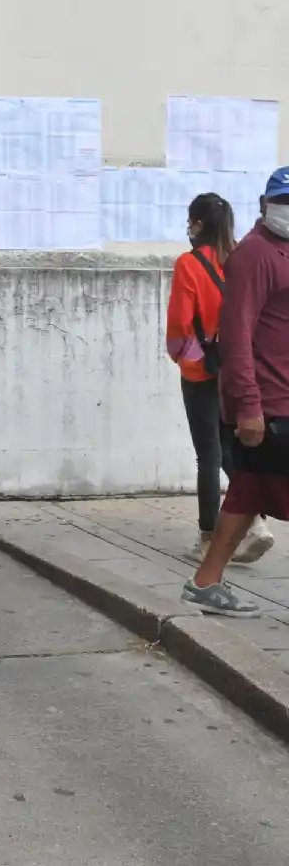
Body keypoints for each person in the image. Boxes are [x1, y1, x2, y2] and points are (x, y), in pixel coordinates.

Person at [182, 167, 289, 618]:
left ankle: (205, 582)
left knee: (246, 493)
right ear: (265, 205)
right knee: (250, 490)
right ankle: (205, 582)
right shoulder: (255, 255)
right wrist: (248, 406)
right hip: (269, 402)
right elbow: (237, 333)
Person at [166, 192, 274, 563]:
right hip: (239, 369)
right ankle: (256, 524)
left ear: (197, 224)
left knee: (208, 455)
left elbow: (181, 327)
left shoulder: (189, 264)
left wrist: (188, 361)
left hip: (202, 370)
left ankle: (209, 537)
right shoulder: (241, 259)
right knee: (233, 450)